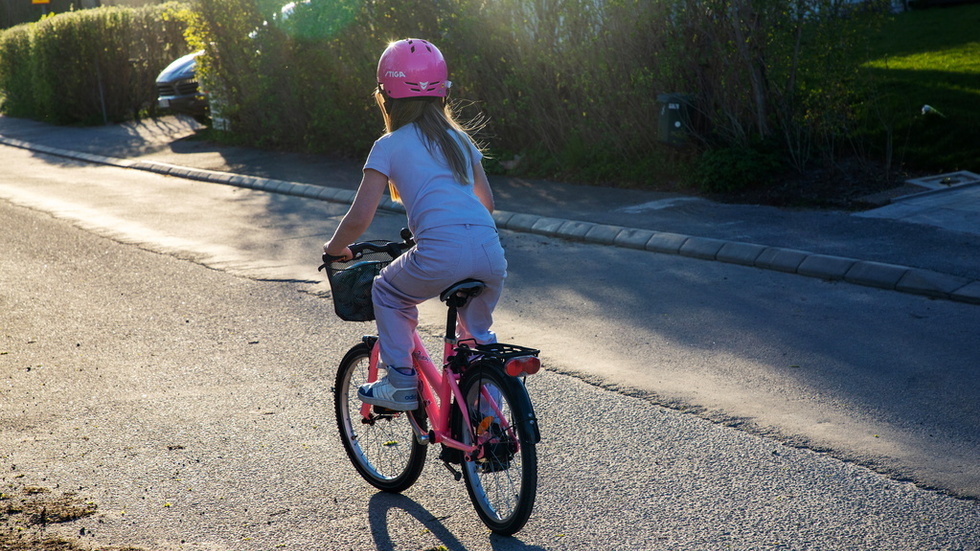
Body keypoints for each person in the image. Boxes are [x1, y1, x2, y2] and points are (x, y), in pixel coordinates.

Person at [323, 38, 507, 411]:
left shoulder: (389, 145)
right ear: (443, 94)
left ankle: (400, 382)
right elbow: (486, 203)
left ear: (385, 96)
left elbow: (360, 217)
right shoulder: (461, 139)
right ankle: (488, 420)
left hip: (441, 251)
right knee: (476, 340)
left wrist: (333, 249)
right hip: (490, 252)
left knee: (388, 290)